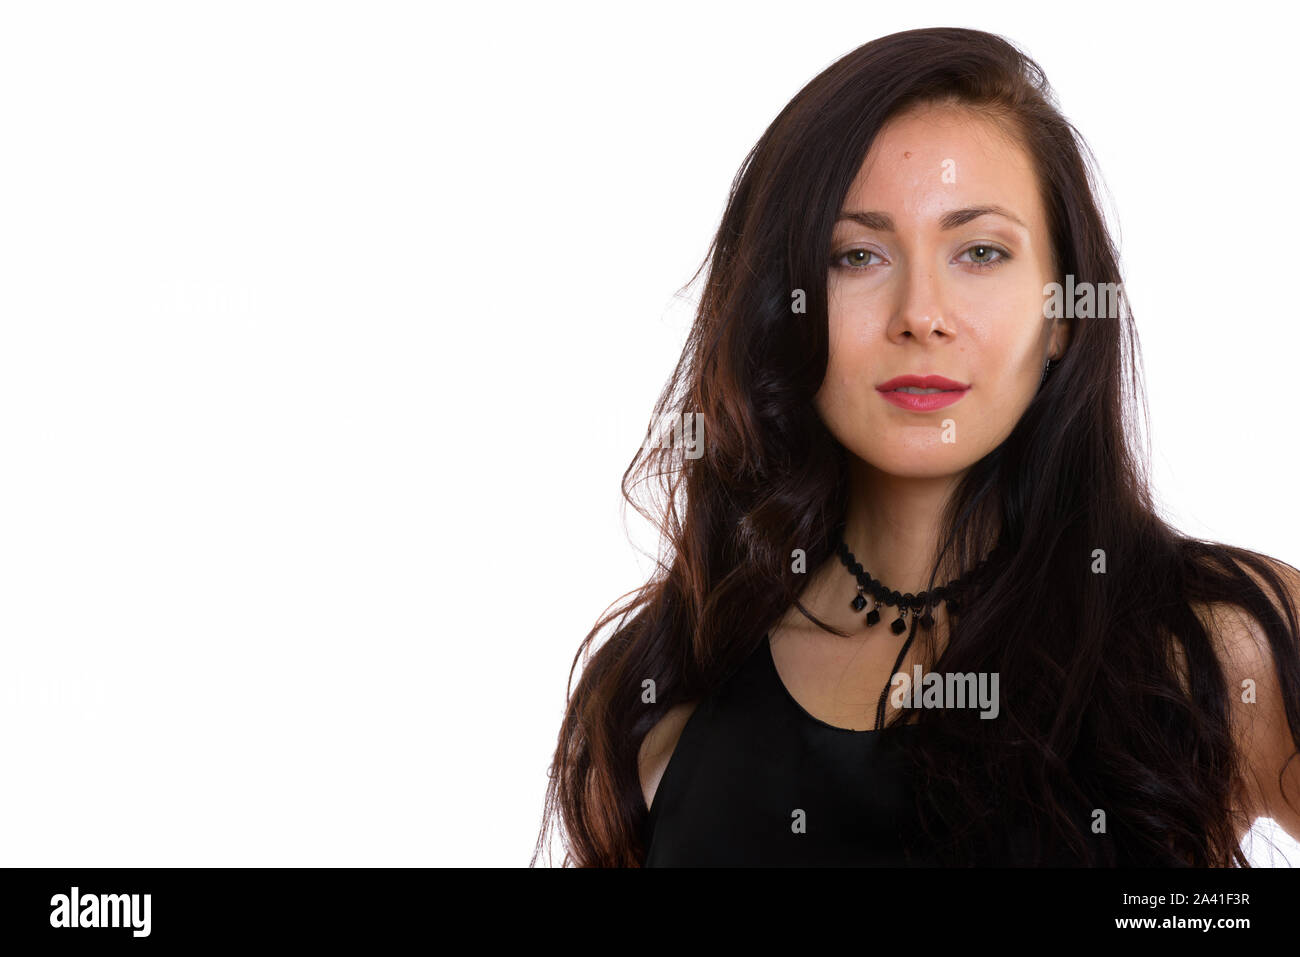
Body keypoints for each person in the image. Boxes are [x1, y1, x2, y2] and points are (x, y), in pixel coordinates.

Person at [533, 26, 1300, 867]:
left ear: (1063, 312)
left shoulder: (1226, 647)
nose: (920, 314)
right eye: (857, 256)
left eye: (981, 252)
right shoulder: (661, 700)